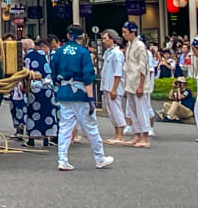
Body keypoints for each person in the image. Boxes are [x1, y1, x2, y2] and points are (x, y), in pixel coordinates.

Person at [50, 25, 113, 171]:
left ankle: (62, 159)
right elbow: (88, 76)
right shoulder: (83, 52)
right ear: (82, 36)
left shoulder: (59, 52)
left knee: (65, 127)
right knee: (90, 126)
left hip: (64, 92)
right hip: (80, 93)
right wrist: (91, 99)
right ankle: (100, 158)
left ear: (68, 35)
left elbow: (54, 73)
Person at [23, 35, 58, 147]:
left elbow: (24, 73)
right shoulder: (49, 56)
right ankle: (47, 138)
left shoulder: (28, 56)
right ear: (44, 47)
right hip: (47, 88)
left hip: (33, 88)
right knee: (47, 112)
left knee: (33, 113)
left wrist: (25, 87)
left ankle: (31, 139)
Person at [121, 22, 150, 147]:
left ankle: (145, 138)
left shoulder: (140, 46)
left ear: (133, 32)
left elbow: (143, 67)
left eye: (125, 32)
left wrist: (141, 86)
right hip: (130, 82)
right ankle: (137, 135)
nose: (124, 35)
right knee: (133, 111)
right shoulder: (129, 44)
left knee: (141, 110)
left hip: (138, 82)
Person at [100, 30, 126, 145]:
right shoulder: (108, 52)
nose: (103, 41)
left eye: (105, 38)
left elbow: (118, 72)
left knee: (116, 110)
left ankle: (120, 135)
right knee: (111, 112)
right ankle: (116, 134)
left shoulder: (117, 53)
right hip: (107, 85)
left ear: (112, 39)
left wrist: (114, 88)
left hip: (113, 86)